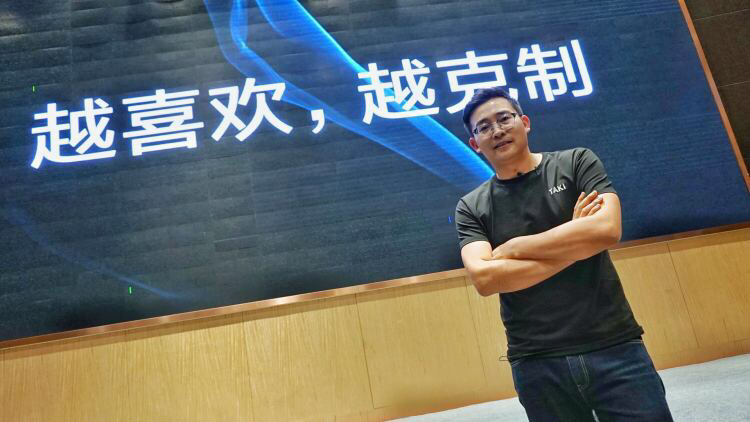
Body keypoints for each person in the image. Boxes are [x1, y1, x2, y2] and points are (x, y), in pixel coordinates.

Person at [454, 87, 673, 421]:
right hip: (536, 360)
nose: (496, 130)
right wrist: (577, 241)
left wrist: (514, 248)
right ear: (475, 143)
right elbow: (485, 278)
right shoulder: (472, 206)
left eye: (504, 118)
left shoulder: (576, 163)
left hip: (614, 344)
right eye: (484, 127)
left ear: (525, 122)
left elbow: (607, 230)